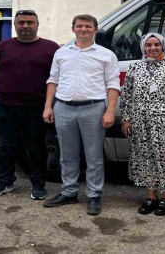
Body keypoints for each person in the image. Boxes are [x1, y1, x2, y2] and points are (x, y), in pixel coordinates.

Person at [42, 14, 120, 215]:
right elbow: (53, 80)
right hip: (63, 107)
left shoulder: (106, 55)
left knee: (94, 155)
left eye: (88, 26)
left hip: (93, 108)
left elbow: (113, 84)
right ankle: (69, 191)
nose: (83, 29)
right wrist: (48, 106)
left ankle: (94, 195)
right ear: (73, 29)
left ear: (95, 30)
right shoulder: (61, 53)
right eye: (79, 26)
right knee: (67, 154)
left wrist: (110, 111)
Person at [0, 9, 60, 200]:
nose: (25, 26)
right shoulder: (4, 45)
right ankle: (4, 181)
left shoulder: (51, 47)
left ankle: (38, 184)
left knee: (36, 146)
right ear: (15, 25)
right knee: (6, 145)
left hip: (37, 107)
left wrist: (52, 104)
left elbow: (58, 77)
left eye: (30, 22)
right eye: (21, 22)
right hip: (6, 105)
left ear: (37, 24)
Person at [120, 33, 165, 216]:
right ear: (143, 47)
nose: (153, 48)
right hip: (140, 121)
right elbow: (126, 96)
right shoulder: (135, 67)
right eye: (149, 45)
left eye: (156, 44)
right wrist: (126, 119)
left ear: (163, 46)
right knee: (146, 157)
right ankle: (151, 197)